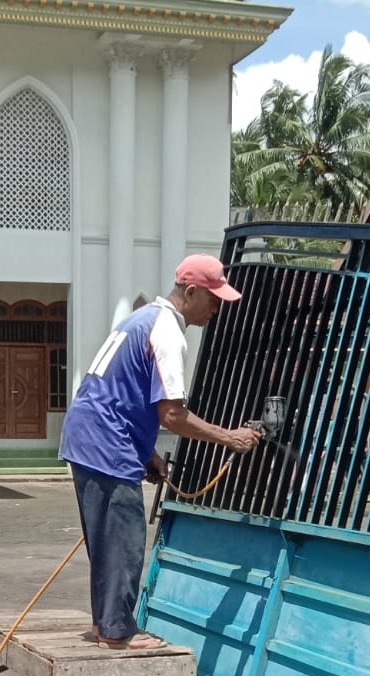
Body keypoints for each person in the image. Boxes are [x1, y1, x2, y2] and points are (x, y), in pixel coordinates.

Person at [59, 254, 263, 650]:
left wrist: (146, 452)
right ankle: (118, 631)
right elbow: (172, 414)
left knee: (106, 539)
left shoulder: (140, 319)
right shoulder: (168, 331)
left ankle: (106, 625)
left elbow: (123, 391)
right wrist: (230, 438)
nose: (217, 309)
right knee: (125, 538)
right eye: (214, 299)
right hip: (106, 443)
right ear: (191, 292)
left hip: (87, 436)